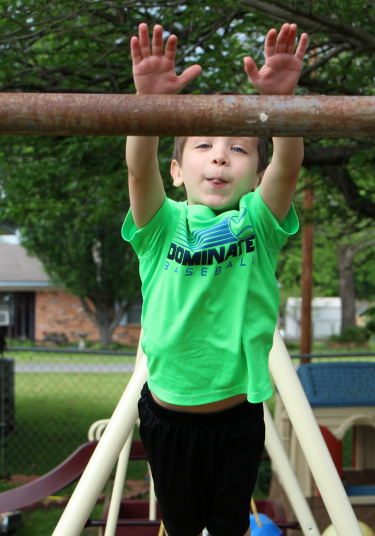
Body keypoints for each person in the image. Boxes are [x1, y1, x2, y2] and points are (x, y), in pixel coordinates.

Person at [122, 21, 308, 536]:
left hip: (237, 416)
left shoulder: (258, 222)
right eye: (203, 145)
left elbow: (289, 169)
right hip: (170, 416)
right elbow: (140, 172)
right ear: (178, 169)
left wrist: (281, 106)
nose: (222, 155)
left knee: (229, 527)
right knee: (182, 528)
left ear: (254, 174)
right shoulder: (162, 226)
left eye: (240, 149)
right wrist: (149, 106)